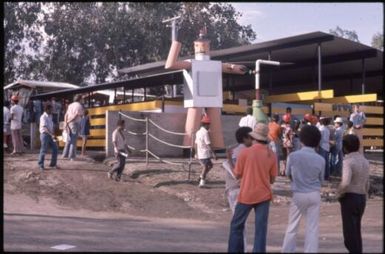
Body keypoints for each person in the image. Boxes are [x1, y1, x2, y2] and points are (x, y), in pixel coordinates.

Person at [228, 123, 278, 253]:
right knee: (261, 229)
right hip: (264, 195)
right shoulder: (271, 154)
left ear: (254, 137)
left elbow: (237, 174)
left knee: (236, 226)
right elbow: (272, 180)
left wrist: (228, 160)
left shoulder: (245, 153)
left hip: (246, 195)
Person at [281, 125, 325, 253]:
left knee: (292, 226)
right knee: (312, 227)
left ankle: (287, 250)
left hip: (298, 194)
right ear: (317, 141)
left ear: (301, 140)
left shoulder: (293, 156)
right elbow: (321, 179)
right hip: (314, 194)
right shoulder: (321, 159)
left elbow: (288, 174)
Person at [337, 134, 370, 253]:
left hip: (350, 198)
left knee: (349, 234)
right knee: (356, 230)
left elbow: (345, 183)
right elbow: (367, 183)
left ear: (345, 147)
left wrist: (339, 193)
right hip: (362, 198)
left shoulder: (348, 161)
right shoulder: (365, 161)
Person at [224, 126, 253, 252]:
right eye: (251, 137)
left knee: (237, 221)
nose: (253, 139)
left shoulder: (232, 150)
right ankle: (242, 249)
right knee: (241, 223)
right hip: (242, 189)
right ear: (245, 138)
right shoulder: (249, 152)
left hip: (231, 189)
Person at [195, 114, 217, 187]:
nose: (209, 126)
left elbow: (196, 143)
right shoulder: (205, 133)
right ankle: (202, 182)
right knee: (205, 166)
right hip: (204, 153)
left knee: (210, 165)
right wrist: (213, 153)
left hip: (201, 152)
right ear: (206, 125)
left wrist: (196, 153)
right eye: (208, 125)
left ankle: (201, 176)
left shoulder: (198, 132)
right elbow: (208, 144)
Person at [62, 94, 84, 161]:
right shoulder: (79, 106)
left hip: (68, 123)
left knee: (68, 140)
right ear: (80, 99)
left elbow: (66, 114)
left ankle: (65, 154)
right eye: (82, 98)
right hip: (75, 123)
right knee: (73, 141)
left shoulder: (70, 105)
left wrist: (66, 122)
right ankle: (71, 156)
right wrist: (68, 121)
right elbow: (75, 116)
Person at [38, 104, 59, 170]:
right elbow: (45, 127)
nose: (52, 111)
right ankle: (41, 165)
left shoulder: (50, 116)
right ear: (47, 109)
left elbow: (51, 126)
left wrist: (53, 134)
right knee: (43, 150)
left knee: (55, 148)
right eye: (51, 109)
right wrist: (51, 134)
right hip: (45, 135)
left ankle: (53, 164)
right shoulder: (43, 117)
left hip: (50, 135)